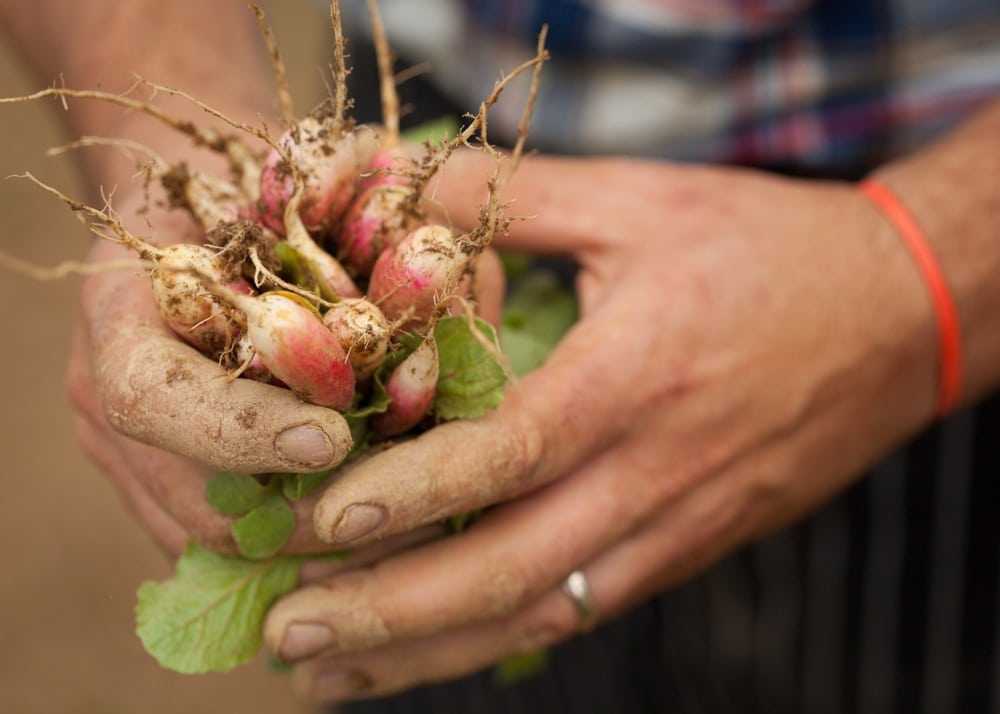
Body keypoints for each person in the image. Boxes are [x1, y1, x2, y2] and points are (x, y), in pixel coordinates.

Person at [1, 1, 998, 712]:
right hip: (420, 151)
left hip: (918, 176)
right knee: (431, 628)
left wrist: (922, 270)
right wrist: (156, 125)